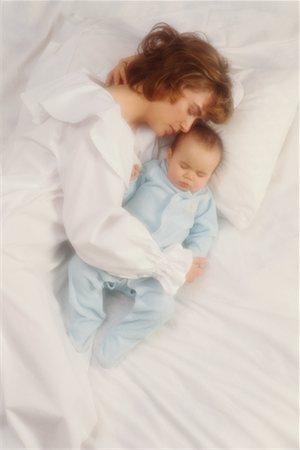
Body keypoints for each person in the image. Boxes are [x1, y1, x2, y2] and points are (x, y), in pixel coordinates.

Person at [3, 22, 232, 448]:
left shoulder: (95, 102)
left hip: (20, 249)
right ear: (172, 80)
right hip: (9, 253)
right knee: (64, 412)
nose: (186, 127)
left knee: (55, 396)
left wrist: (141, 73)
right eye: (191, 109)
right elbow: (95, 232)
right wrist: (167, 265)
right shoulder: (102, 125)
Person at [67, 121, 223, 368]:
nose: (189, 176)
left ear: (210, 176)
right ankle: (85, 316)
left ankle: (121, 339)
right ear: (170, 155)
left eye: (200, 174)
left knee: (162, 309)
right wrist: (129, 181)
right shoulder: (151, 172)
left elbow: (205, 232)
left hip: (154, 268)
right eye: (184, 166)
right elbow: (119, 199)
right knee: (79, 267)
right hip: (120, 251)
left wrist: (190, 260)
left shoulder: (203, 201)